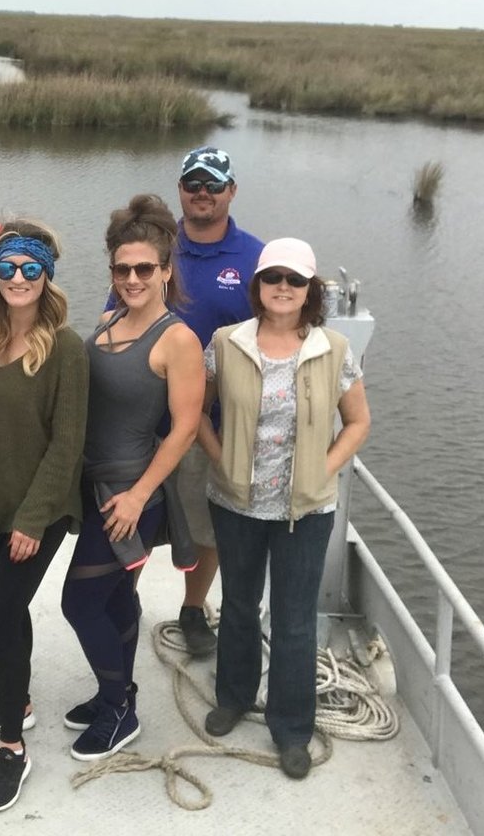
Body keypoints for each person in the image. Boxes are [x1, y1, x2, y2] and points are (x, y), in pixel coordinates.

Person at [198, 237, 371, 780]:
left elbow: (359, 421)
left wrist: (325, 467)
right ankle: (233, 697)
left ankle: (292, 728)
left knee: (295, 621)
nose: (283, 288)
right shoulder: (226, 343)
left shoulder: (333, 348)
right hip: (236, 501)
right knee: (240, 604)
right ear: (258, 286)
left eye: (295, 281)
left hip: (306, 510)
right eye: (273, 278)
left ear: (310, 290)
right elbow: (195, 410)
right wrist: (220, 455)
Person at [61, 195, 204, 761]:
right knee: (116, 597)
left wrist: (139, 495)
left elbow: (184, 430)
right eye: (122, 269)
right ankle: (113, 692)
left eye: (145, 268)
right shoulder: (106, 325)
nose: (133, 278)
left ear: (166, 270)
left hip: (131, 495)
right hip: (91, 486)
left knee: (79, 601)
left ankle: (118, 707)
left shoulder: (178, 340)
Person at [0, 220, 88, 814]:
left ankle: (13, 747)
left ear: (46, 277)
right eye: (7, 267)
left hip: (40, 509)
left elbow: (68, 444)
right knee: (7, 615)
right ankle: (22, 701)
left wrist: (33, 520)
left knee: (3, 611)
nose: (17, 278)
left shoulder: (64, 347)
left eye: (30, 268)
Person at [169, 146, 263, 657]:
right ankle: (122, 603)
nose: (202, 193)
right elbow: (114, 317)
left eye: (213, 184)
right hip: (149, 418)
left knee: (207, 526)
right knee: (133, 520)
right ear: (180, 189)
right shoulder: (156, 247)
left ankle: (192, 607)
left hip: (216, 423)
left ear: (231, 190)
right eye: (193, 183)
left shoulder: (255, 257)